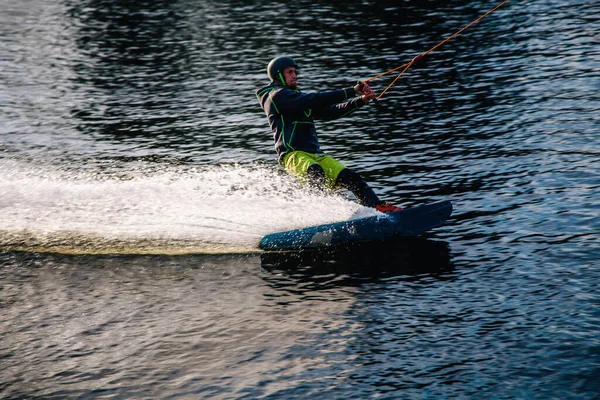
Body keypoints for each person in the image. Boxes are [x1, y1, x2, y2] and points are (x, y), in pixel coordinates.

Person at [256, 56, 402, 213]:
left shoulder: (297, 98)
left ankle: (376, 208)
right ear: (278, 75)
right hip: (293, 155)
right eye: (290, 72)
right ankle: (322, 213)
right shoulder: (276, 97)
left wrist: (360, 100)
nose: (294, 75)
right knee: (315, 171)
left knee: (351, 177)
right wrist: (351, 91)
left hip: (316, 154)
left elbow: (330, 112)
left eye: (295, 72)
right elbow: (315, 99)